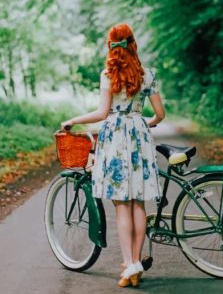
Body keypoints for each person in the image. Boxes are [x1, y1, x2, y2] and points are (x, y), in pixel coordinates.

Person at [61, 23, 165, 288]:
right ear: (133, 44)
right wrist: (143, 125)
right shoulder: (148, 74)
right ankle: (136, 264)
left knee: (121, 204)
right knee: (138, 202)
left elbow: (101, 114)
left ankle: (130, 262)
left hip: (115, 138)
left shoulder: (108, 74)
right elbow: (160, 116)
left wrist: (73, 120)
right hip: (139, 136)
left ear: (111, 46)